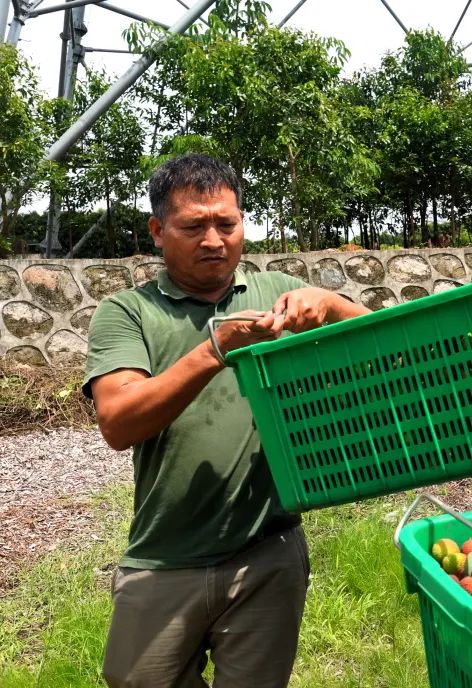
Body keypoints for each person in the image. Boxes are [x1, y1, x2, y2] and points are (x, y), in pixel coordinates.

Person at [83, 153, 369, 688]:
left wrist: (331, 302)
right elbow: (118, 421)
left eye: (227, 223)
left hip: (268, 553)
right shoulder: (128, 311)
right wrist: (216, 348)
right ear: (158, 231)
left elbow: (390, 348)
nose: (214, 240)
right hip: (165, 557)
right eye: (193, 226)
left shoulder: (276, 293)